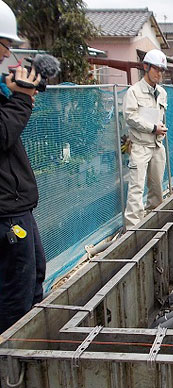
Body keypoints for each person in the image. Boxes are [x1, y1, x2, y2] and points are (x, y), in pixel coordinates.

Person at [0, 0, 44, 333]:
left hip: (16, 208)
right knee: (16, 296)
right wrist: (21, 99)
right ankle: (14, 372)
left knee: (32, 279)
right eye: (3, 46)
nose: (7, 56)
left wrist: (15, 92)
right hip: (6, 214)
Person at [123, 49, 168, 229]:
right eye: (156, 69)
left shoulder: (162, 93)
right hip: (140, 146)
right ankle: (133, 230)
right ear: (146, 67)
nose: (159, 73)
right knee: (136, 189)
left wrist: (160, 128)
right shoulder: (134, 92)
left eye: (162, 70)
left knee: (157, 189)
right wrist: (153, 128)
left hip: (157, 146)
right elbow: (130, 116)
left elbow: (160, 116)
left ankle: (154, 225)